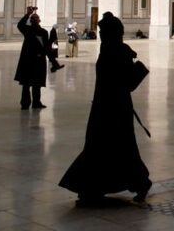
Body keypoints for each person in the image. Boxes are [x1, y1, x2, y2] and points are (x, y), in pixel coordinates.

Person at [59, 12, 152, 203]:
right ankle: (92, 188)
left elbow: (127, 83)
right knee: (102, 147)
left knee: (119, 148)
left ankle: (140, 183)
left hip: (116, 108)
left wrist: (138, 68)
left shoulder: (118, 50)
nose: (100, 34)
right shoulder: (108, 48)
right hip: (104, 105)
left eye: (103, 31)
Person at [15, 6, 50, 109]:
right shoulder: (28, 30)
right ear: (31, 21)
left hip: (37, 61)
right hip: (29, 61)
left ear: (39, 20)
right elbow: (20, 25)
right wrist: (27, 14)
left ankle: (36, 103)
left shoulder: (43, 32)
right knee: (27, 84)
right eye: (32, 19)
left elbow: (46, 46)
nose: (34, 20)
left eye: (36, 18)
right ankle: (25, 104)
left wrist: (44, 54)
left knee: (36, 84)